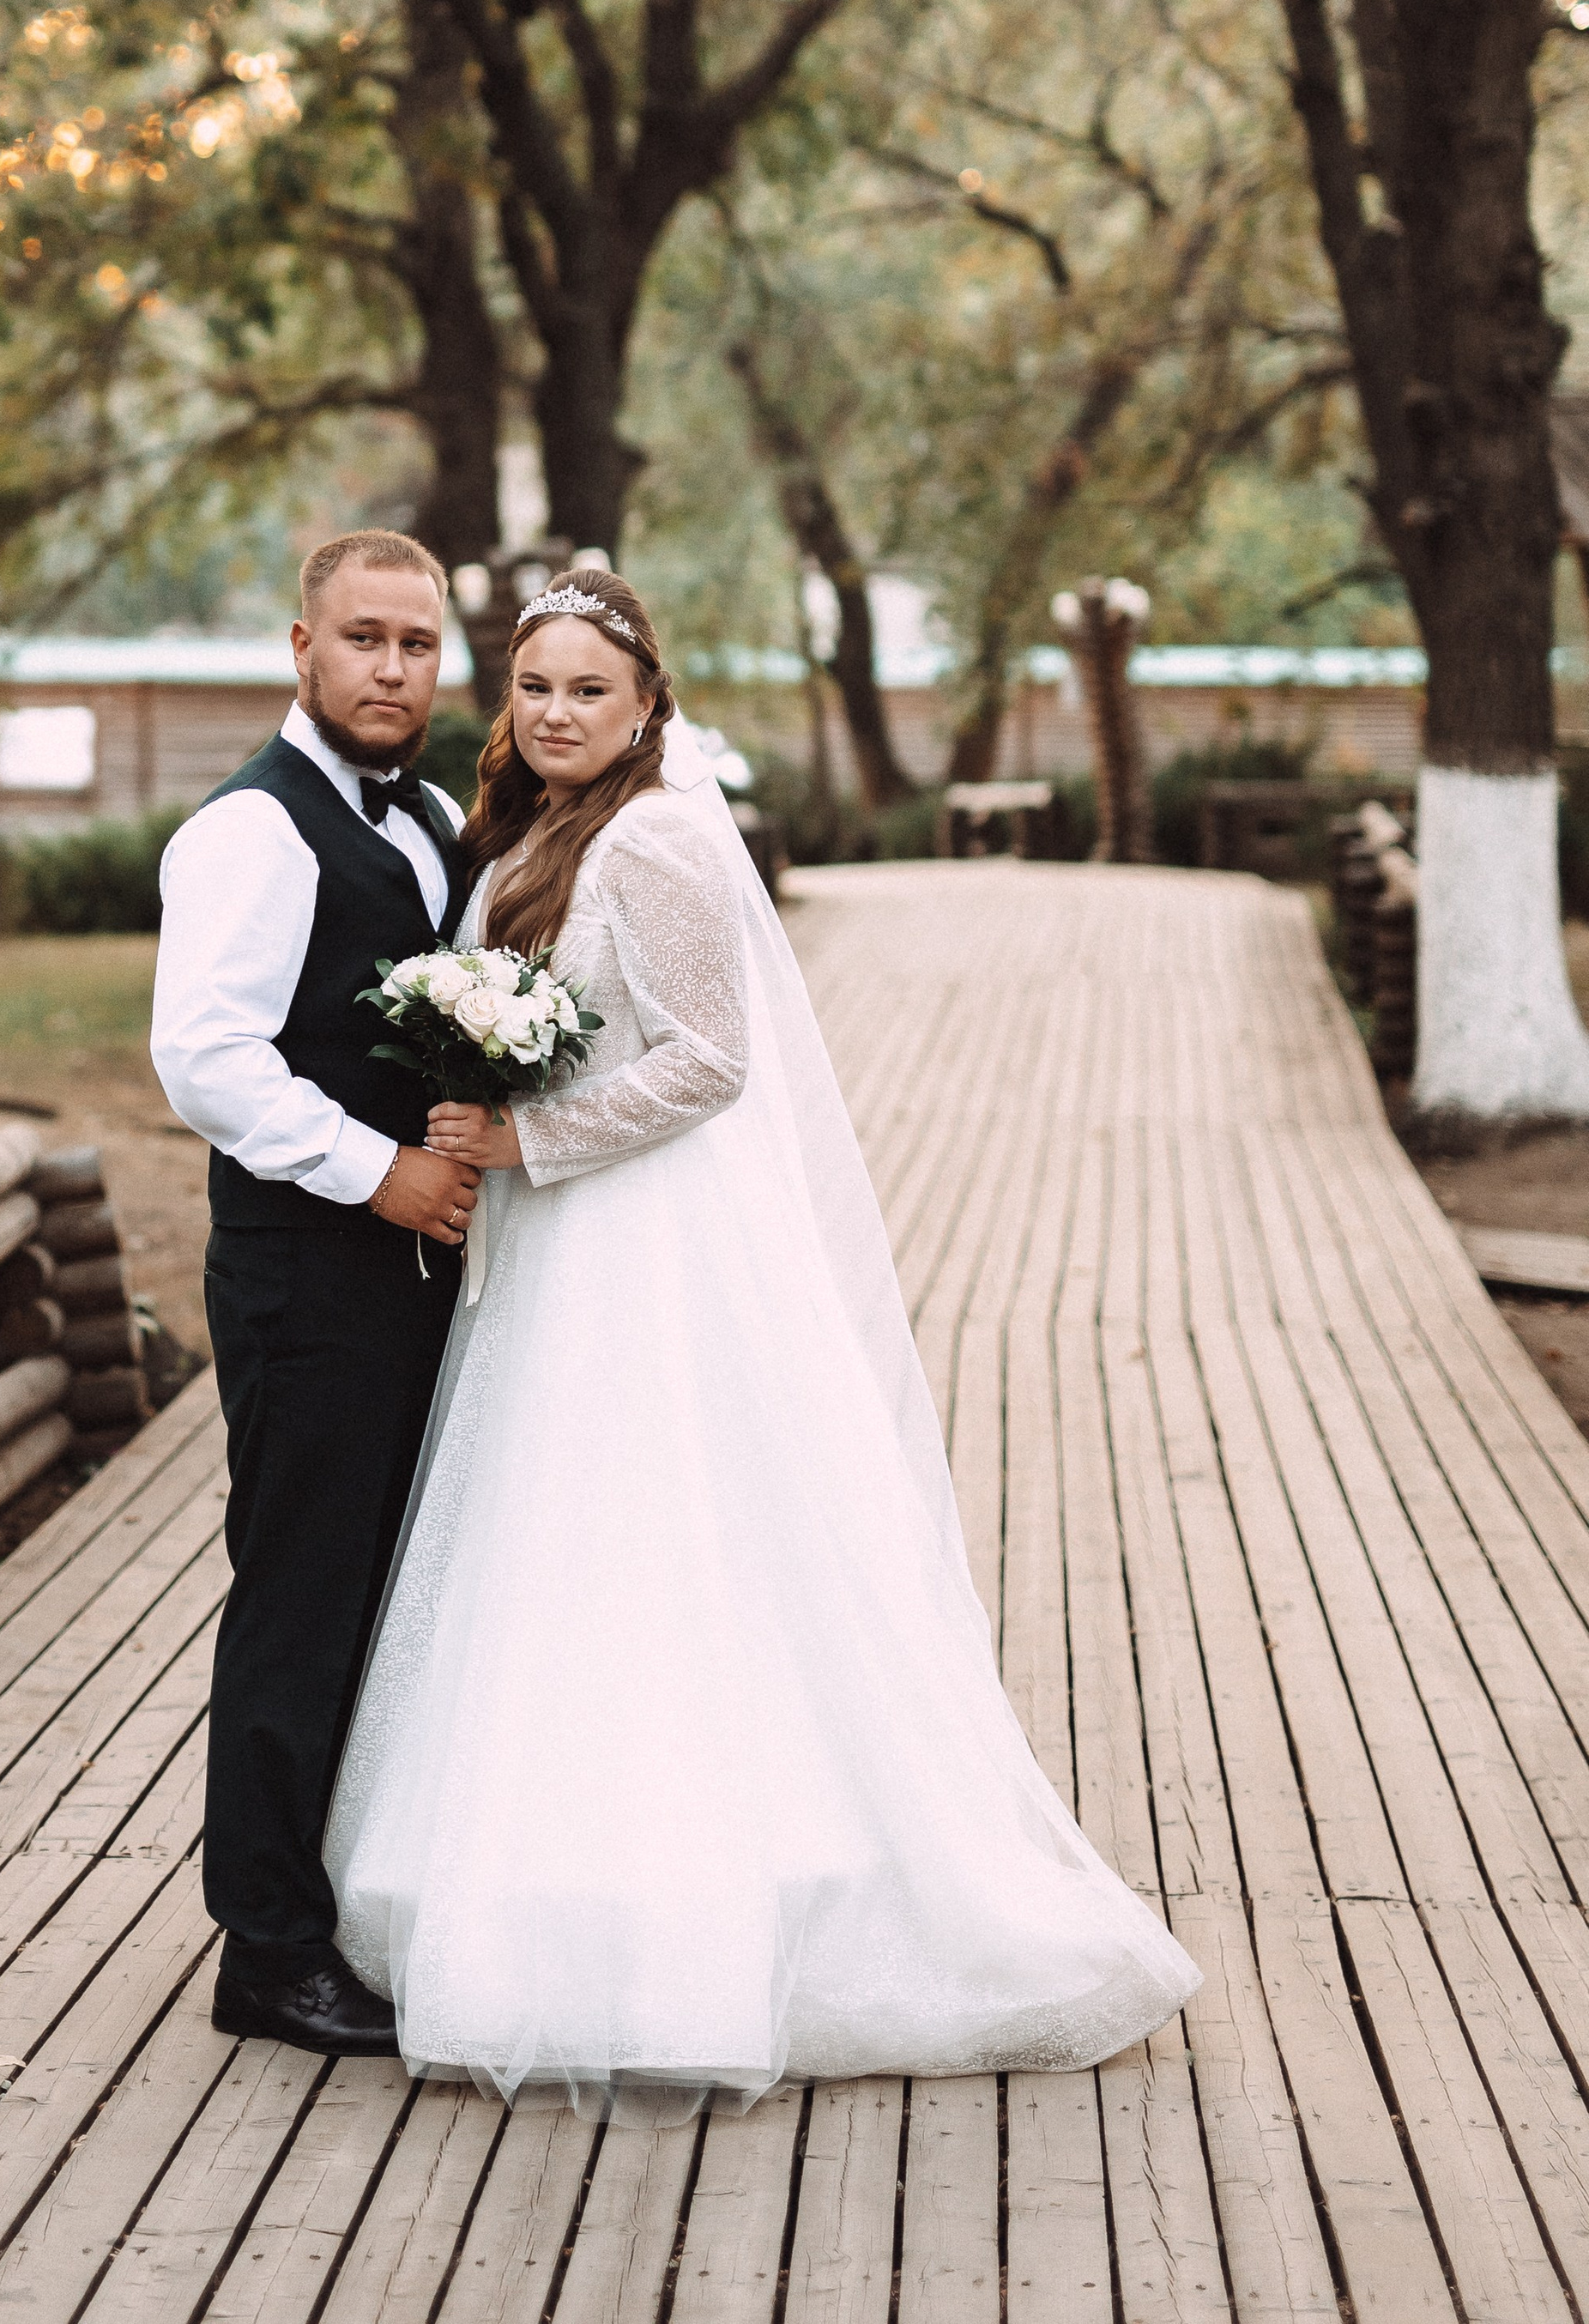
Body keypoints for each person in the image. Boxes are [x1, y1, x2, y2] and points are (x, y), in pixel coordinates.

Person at [326, 567, 1203, 2103]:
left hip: (643, 1243)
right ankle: (557, 1871)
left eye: (590, 690)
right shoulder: (535, 822)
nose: (556, 713)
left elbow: (714, 1060)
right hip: (559, 1248)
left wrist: (533, 1138)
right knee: (561, 1543)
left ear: (647, 700)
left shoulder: (658, 830)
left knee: (662, 1539)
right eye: (535, 687)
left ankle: (708, 1905)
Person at [152, 529, 480, 2061]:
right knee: (298, 1593)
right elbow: (207, 1060)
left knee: (380, 1595)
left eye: (417, 643)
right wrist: (383, 1172)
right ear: (303, 647)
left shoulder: (423, 817)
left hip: (407, 1277)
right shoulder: (253, 834)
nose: (392, 668)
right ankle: (265, 1948)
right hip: (306, 1275)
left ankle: (338, 1895)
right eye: (364, 638)